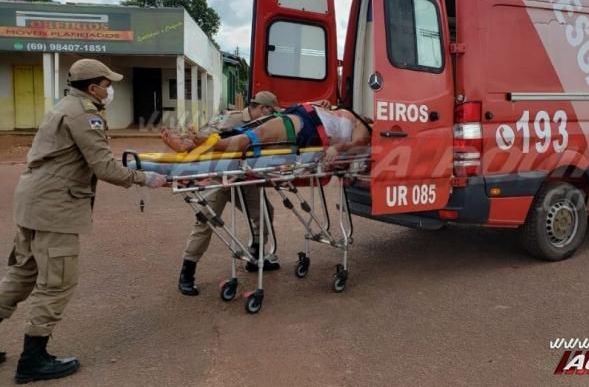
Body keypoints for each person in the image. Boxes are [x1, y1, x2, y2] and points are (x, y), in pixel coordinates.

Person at [0, 59, 167, 383]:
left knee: (22, 273)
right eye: (107, 84)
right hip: (54, 208)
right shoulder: (84, 114)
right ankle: (33, 360)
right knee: (57, 282)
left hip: (33, 201)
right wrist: (145, 178)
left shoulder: (65, 106)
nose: (111, 90)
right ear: (93, 88)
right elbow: (104, 167)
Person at [171, 92, 284, 296]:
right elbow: (202, 138)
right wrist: (189, 144)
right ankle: (187, 273)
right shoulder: (231, 118)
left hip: (246, 177)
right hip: (221, 178)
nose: (272, 117)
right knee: (205, 221)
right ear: (263, 108)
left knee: (265, 213)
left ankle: (256, 257)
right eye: (271, 112)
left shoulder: (267, 122)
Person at [161, 102, 371, 163]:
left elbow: (359, 144)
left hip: (311, 129)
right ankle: (191, 144)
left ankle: (207, 143)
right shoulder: (351, 113)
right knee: (251, 127)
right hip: (306, 115)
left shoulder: (364, 127)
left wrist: (337, 147)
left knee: (259, 133)